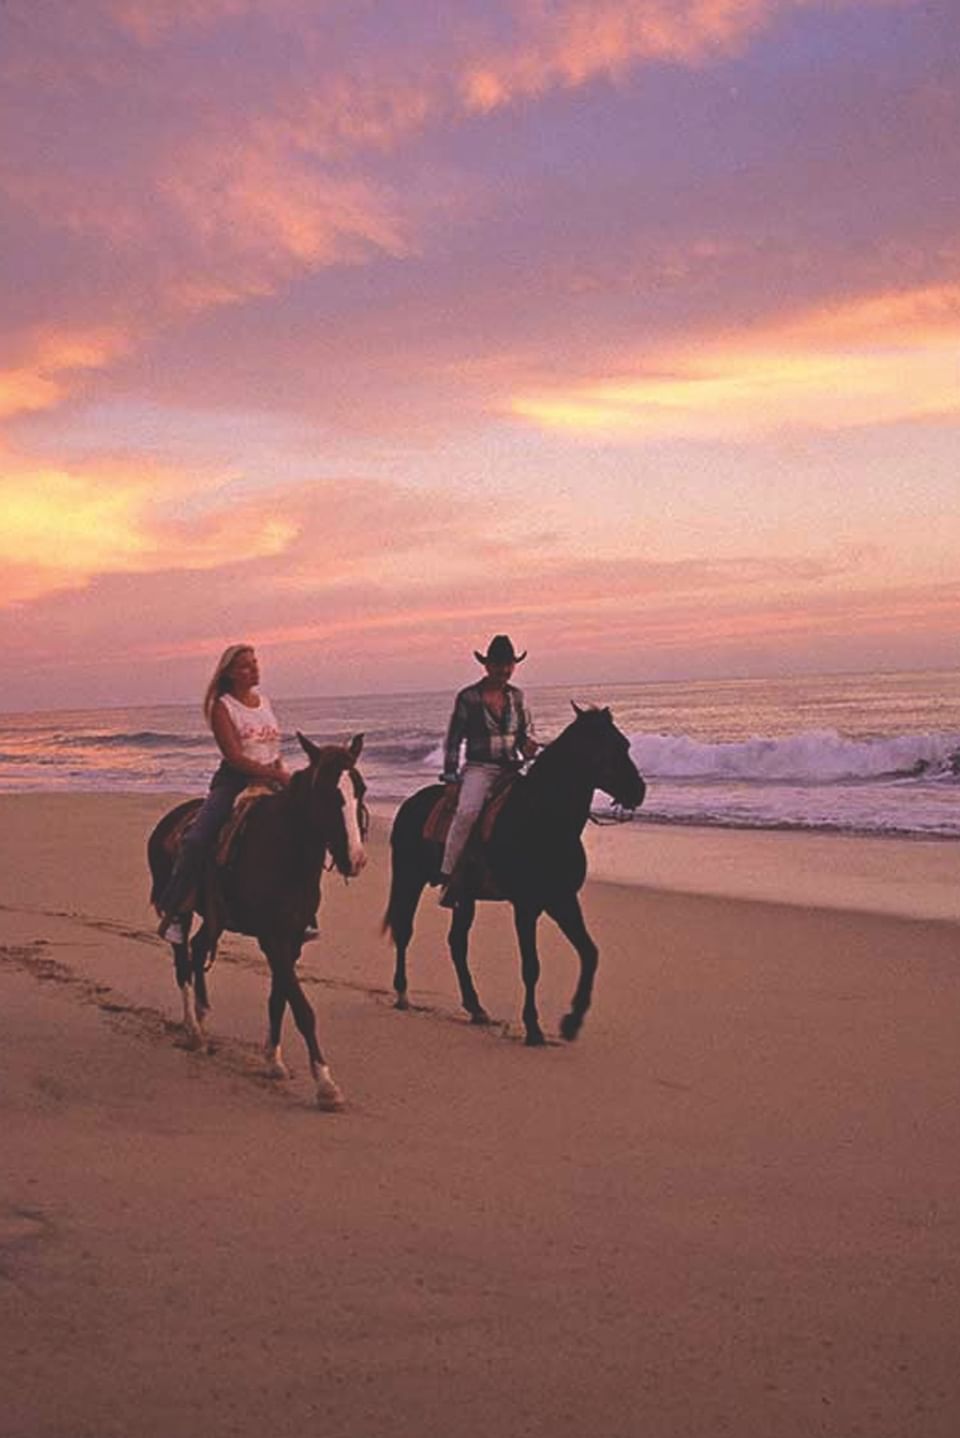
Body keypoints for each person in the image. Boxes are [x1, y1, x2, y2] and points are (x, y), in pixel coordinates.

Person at [156, 644, 291, 943]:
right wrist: (276, 774)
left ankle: (302, 913)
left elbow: (273, 748)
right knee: (196, 839)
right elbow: (234, 757)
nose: (254, 669)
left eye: (255, 663)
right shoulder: (223, 707)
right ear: (229, 673)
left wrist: (283, 774)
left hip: (272, 778)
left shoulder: (264, 703)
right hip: (235, 782)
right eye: (245, 666)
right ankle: (175, 909)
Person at [439, 634, 539, 894]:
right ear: (486, 666)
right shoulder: (468, 698)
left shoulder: (517, 697)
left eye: (509, 665)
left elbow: (523, 736)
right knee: (467, 813)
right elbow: (453, 740)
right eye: (498, 665)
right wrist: (450, 778)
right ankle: (448, 874)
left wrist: (528, 746)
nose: (504, 670)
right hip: (480, 768)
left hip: (511, 768)